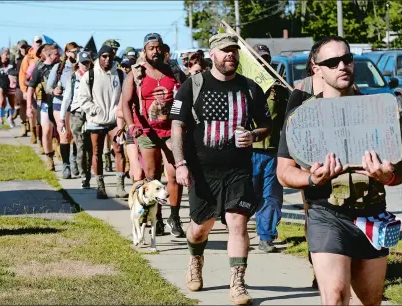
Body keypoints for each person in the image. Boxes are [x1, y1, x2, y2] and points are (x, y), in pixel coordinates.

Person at [277, 36, 402, 306]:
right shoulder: (302, 117)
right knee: (335, 297)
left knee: (370, 301)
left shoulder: (378, 111)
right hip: (326, 214)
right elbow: (284, 172)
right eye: (332, 62)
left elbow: (400, 172)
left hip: (372, 213)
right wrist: (311, 178)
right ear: (316, 68)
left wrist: (388, 176)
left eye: (347, 59)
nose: (342, 66)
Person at [169, 33, 271, 304]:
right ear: (211, 54)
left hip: (238, 169)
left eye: (234, 51)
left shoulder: (250, 88)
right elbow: (177, 127)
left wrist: (254, 136)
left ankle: (237, 283)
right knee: (201, 228)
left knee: (238, 224)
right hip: (202, 170)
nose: (231, 55)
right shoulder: (193, 86)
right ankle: (195, 259)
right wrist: (181, 164)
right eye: (225, 51)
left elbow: (265, 126)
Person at [122, 33, 186, 237]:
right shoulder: (136, 74)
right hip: (146, 131)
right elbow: (126, 102)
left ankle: (174, 217)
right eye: (151, 48)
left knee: (175, 173)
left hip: (170, 130)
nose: (155, 51)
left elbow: (186, 95)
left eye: (158, 47)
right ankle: (156, 219)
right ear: (145, 51)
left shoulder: (174, 71)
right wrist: (131, 126)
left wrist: (183, 118)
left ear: (163, 49)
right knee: (152, 177)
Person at [250, 44, 289, 253]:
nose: (263, 63)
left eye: (266, 58)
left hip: (273, 149)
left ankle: (266, 236)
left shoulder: (279, 87)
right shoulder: (243, 86)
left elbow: (285, 118)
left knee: (271, 195)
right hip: (249, 150)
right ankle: (238, 226)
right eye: (258, 59)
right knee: (251, 194)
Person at [78, 45, 128, 199]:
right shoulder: (90, 75)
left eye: (110, 57)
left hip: (114, 120)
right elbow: (83, 99)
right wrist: (95, 111)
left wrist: (120, 114)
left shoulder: (119, 74)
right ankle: (100, 187)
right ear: (98, 57)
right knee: (96, 152)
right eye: (104, 56)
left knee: (119, 151)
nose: (107, 59)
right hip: (96, 121)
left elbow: (125, 97)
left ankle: (120, 186)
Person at [46, 42, 81, 179]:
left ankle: (74, 159)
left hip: (76, 105)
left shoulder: (81, 67)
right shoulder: (59, 68)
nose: (76, 54)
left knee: (76, 135)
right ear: (67, 53)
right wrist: (54, 90)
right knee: (64, 134)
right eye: (74, 51)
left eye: (78, 51)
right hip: (60, 104)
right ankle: (66, 165)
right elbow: (48, 87)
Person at [61, 51, 93, 188]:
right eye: (83, 63)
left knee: (91, 146)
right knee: (80, 145)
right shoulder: (73, 78)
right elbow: (66, 98)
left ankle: (89, 171)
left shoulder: (95, 76)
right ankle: (83, 174)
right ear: (78, 63)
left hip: (91, 113)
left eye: (88, 63)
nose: (85, 65)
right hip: (77, 114)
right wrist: (62, 118)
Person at [26, 44, 61, 170]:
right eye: (56, 54)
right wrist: (29, 107)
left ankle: (61, 149)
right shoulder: (39, 68)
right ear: (48, 54)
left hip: (60, 104)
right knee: (46, 131)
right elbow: (30, 88)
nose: (59, 56)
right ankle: (49, 158)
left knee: (61, 131)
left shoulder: (61, 67)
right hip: (45, 103)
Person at [20, 36, 43, 145]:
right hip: (31, 89)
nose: (38, 43)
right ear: (33, 43)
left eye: (40, 42)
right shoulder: (28, 58)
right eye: (37, 42)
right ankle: (33, 131)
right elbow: (23, 75)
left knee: (42, 116)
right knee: (33, 113)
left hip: (43, 92)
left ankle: (42, 136)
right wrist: (25, 90)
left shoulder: (45, 57)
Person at [0, 49, 17, 128]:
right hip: (0, 83)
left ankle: (10, 118)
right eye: (5, 54)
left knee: (12, 103)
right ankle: (0, 120)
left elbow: (16, 71)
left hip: (10, 84)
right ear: (1, 55)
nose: (7, 56)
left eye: (8, 54)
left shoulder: (11, 64)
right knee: (1, 101)